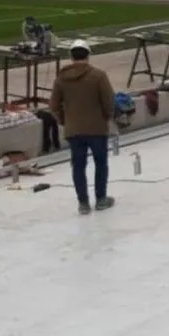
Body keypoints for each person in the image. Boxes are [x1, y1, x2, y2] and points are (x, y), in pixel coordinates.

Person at [49, 39, 116, 215]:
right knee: (100, 163)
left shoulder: (61, 79)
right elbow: (109, 102)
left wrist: (65, 120)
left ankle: (83, 203)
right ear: (88, 55)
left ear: (71, 56)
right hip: (96, 128)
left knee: (78, 166)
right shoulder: (98, 76)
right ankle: (101, 199)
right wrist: (107, 117)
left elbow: (54, 106)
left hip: (73, 130)